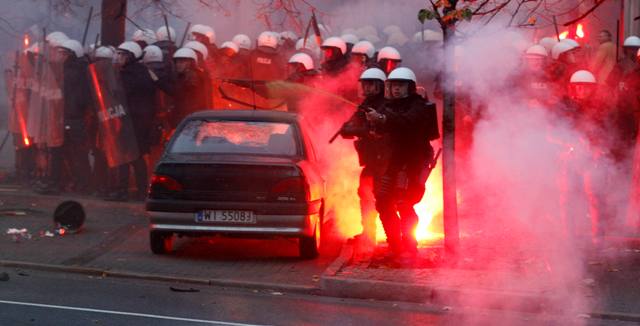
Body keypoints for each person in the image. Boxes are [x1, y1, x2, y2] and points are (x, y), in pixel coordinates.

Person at [366, 67, 439, 258]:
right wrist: (373, 122)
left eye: (401, 85)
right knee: (382, 202)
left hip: (413, 163)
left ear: (410, 87)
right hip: (395, 163)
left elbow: (407, 123)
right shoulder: (390, 105)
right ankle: (395, 245)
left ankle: (409, 245)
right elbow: (382, 127)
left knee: (404, 203)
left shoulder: (418, 105)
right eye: (394, 85)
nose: (396, 89)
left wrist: (382, 118)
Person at [339, 68, 388, 248]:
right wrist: (350, 128)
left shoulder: (386, 105)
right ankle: (368, 234)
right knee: (365, 194)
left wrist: (359, 131)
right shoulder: (365, 105)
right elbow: (349, 128)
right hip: (372, 162)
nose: (367, 88)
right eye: (364, 84)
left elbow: (377, 131)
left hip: (385, 163)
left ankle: (396, 238)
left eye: (371, 84)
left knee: (384, 199)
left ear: (380, 86)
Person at [106, 41, 157, 201]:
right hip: (136, 121)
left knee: (130, 156)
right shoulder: (139, 72)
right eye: (118, 54)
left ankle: (125, 190)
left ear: (131, 57)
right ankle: (139, 190)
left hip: (134, 121)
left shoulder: (131, 74)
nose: (119, 57)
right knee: (135, 157)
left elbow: (122, 94)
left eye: (122, 55)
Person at [55, 39, 92, 193]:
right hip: (68, 116)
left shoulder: (75, 72)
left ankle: (83, 183)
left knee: (78, 153)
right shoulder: (68, 70)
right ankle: (76, 181)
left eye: (64, 54)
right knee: (69, 152)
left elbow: (82, 97)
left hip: (75, 117)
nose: (61, 56)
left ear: (72, 55)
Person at [170, 47, 208, 128]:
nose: (178, 64)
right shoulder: (181, 76)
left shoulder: (192, 77)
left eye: (182, 62)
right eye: (177, 62)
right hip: (188, 119)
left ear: (190, 63)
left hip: (190, 121)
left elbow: (179, 94)